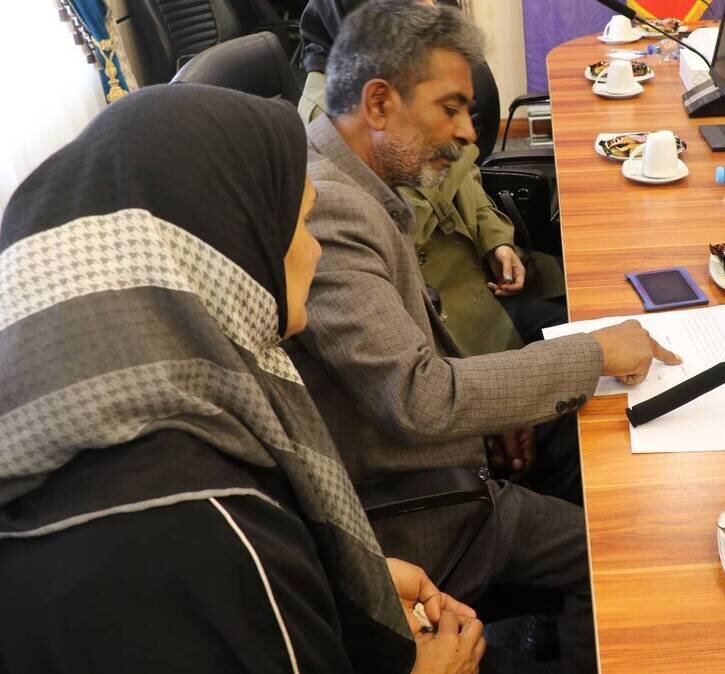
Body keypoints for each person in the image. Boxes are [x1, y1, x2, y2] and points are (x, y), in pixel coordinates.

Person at [0, 84, 482, 674]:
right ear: (229, 245)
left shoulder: (128, 438)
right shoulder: (206, 524)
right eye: (301, 222)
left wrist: (339, 584)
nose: (315, 250)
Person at [290, 3, 680, 671]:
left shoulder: (357, 181)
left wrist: (502, 410)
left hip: (436, 457)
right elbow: (417, 398)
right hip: (420, 507)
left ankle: (554, 626)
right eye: (450, 109)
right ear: (378, 103)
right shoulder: (330, 211)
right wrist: (591, 353)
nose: (468, 132)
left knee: (599, 436)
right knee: (622, 549)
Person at [300, 0, 564, 357]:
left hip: (479, 283)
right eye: (449, 110)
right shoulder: (336, 119)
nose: (433, 6)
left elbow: (467, 177)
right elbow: (405, 225)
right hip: (447, 324)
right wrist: (455, 158)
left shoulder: (405, 78)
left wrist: (495, 240)